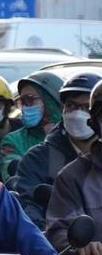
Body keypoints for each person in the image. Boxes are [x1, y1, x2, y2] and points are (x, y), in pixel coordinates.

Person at [18, 71, 100, 225]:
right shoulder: (38, 159)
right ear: (62, 109)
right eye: (71, 106)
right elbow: (27, 206)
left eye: (86, 108)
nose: (77, 114)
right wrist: (51, 237)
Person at [0, 70, 62, 180]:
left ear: (50, 101)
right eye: (22, 102)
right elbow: (14, 181)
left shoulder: (76, 137)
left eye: (29, 99)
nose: (25, 107)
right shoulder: (14, 140)